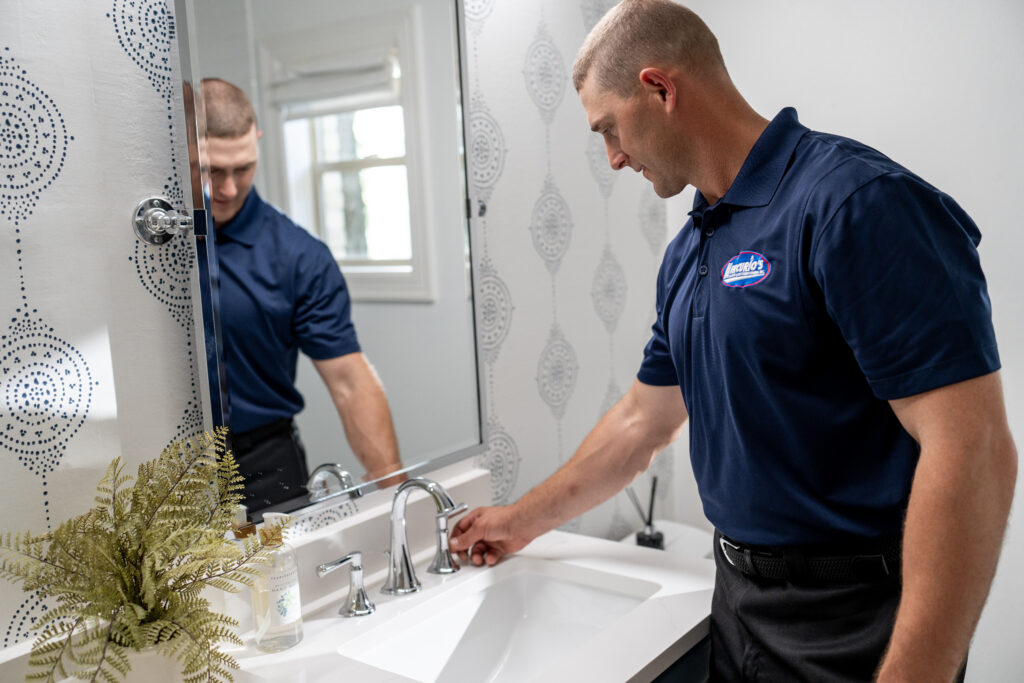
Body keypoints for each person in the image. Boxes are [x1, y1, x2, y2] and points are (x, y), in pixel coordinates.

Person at [449, 1, 1017, 680]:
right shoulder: (691, 248)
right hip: (736, 604)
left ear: (660, 88)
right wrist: (518, 520)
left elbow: (973, 449)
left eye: (609, 128)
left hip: (856, 619)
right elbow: (641, 421)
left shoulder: (855, 204)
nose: (613, 156)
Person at [201, 77, 403, 512]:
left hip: (263, 462)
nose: (230, 189)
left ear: (256, 140)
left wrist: (396, 495)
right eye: (212, 170)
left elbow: (350, 383)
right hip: (155, 463)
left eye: (243, 168)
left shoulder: (300, 257)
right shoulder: (143, 246)